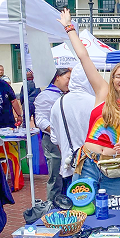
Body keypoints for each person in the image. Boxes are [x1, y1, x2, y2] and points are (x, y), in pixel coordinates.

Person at [58, 9, 120, 195]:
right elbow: (84, 57)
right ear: (112, 80)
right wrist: (69, 27)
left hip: (114, 170)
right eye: (118, 76)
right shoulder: (103, 92)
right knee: (82, 211)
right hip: (88, 164)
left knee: (113, 216)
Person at [50, 64, 95, 191]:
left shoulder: (58, 104)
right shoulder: (96, 102)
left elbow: (55, 139)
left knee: (74, 205)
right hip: (94, 165)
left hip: (69, 165)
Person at [34, 68, 71, 200]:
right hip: (53, 141)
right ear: (57, 77)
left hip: (69, 141)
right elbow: (40, 120)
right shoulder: (45, 96)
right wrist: (56, 133)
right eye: (68, 78)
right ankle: (53, 206)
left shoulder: (68, 95)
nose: (70, 82)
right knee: (56, 175)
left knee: (69, 173)